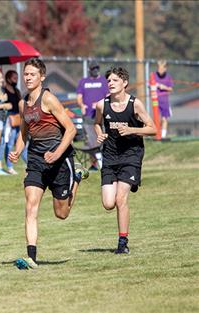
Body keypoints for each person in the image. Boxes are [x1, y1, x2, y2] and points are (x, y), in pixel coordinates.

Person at [8, 59, 89, 270]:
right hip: (36, 160)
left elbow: (70, 129)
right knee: (30, 206)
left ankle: (77, 177)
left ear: (42, 77)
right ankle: (31, 257)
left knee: (61, 214)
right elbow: (24, 134)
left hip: (60, 160)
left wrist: (57, 153)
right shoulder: (22, 103)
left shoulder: (49, 99)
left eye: (32, 74)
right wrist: (17, 150)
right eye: (26, 74)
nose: (27, 78)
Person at [94, 67, 156, 254]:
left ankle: (122, 242)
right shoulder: (101, 105)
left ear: (124, 83)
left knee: (121, 199)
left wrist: (132, 130)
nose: (110, 84)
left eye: (114, 80)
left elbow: (152, 128)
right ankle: (131, 182)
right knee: (108, 203)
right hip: (110, 157)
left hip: (131, 155)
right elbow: (96, 123)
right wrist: (100, 134)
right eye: (109, 81)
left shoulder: (135, 104)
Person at [76, 60, 109, 170]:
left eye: (96, 68)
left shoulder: (104, 81)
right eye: (93, 68)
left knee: (102, 138)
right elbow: (79, 97)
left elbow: (108, 96)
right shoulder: (83, 82)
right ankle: (94, 164)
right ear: (89, 70)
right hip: (88, 116)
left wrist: (100, 104)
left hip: (101, 115)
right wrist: (82, 106)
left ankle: (105, 162)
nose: (95, 70)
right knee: (90, 140)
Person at [0, 70, 24, 175]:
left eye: (17, 78)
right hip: (8, 119)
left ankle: (25, 163)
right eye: (14, 78)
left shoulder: (17, 91)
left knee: (19, 141)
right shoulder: (3, 90)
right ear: (8, 78)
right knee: (8, 142)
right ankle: (8, 166)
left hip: (17, 118)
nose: (16, 80)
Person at [153, 60, 174, 139]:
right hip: (155, 101)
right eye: (159, 68)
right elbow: (149, 85)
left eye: (162, 68)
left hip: (165, 101)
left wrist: (163, 87)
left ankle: (163, 135)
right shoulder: (154, 75)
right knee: (156, 118)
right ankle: (156, 134)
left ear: (165, 69)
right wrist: (154, 86)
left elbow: (171, 89)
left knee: (164, 118)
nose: (160, 70)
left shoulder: (168, 77)